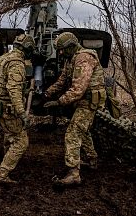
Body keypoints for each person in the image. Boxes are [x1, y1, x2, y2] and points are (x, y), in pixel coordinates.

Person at [43, 32, 107, 185]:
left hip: (89, 101)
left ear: (71, 46)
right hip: (83, 101)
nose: (60, 53)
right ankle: (92, 160)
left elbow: (78, 89)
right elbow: (62, 80)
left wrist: (59, 102)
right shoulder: (71, 59)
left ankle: (73, 173)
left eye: (62, 50)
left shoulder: (84, 58)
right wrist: (47, 93)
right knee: (82, 130)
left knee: (72, 133)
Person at [0, 34, 35, 184]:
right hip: (8, 108)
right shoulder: (16, 63)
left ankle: (7, 158)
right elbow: (13, 90)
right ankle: (1, 174)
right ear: (27, 48)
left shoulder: (1, 59)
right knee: (21, 141)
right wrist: (22, 113)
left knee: (9, 135)